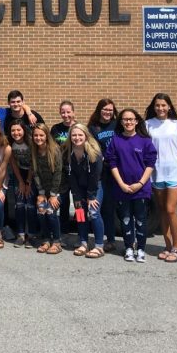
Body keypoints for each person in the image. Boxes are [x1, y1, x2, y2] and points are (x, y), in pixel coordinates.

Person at [105, 109, 157, 263]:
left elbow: (150, 164)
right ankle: (129, 247)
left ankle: (140, 249)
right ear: (121, 122)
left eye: (131, 119)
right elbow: (112, 163)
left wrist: (140, 183)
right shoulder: (116, 140)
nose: (128, 122)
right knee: (126, 219)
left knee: (141, 219)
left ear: (136, 121)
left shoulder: (145, 141)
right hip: (122, 189)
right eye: (125, 119)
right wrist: (121, 184)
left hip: (141, 189)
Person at [145, 93, 177, 263]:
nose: (160, 108)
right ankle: (167, 246)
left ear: (169, 106)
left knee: (170, 209)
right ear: (153, 107)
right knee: (162, 210)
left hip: (175, 171)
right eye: (157, 105)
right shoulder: (147, 125)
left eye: (163, 105)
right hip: (156, 172)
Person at [66, 123, 106, 258]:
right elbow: (71, 176)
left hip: (94, 187)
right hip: (79, 188)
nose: (77, 138)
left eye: (80, 135)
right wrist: (76, 196)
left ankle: (99, 246)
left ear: (86, 136)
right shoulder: (69, 152)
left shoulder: (94, 152)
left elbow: (95, 176)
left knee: (94, 212)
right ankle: (83, 242)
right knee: (79, 212)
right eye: (74, 135)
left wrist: (91, 196)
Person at [88, 98, 119, 252]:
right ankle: (100, 240)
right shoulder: (93, 127)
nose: (108, 112)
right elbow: (93, 148)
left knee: (111, 207)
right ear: (99, 110)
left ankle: (112, 240)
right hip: (101, 172)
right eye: (105, 109)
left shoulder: (117, 125)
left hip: (117, 171)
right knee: (98, 207)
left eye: (110, 110)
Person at [31, 123, 65, 255]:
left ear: (46, 136)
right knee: (41, 210)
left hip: (57, 190)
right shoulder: (34, 151)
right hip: (43, 190)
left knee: (50, 212)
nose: (38, 138)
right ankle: (46, 240)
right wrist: (41, 193)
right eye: (35, 135)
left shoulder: (55, 150)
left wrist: (53, 194)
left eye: (41, 135)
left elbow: (58, 173)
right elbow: (35, 173)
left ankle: (56, 242)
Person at [7, 119, 37, 248]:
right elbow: (13, 163)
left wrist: (28, 182)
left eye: (18, 130)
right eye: (13, 130)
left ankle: (31, 235)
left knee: (30, 205)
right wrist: (20, 181)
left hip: (32, 175)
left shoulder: (30, 142)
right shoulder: (10, 143)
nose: (16, 132)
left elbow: (33, 162)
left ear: (24, 130)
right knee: (19, 205)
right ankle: (20, 234)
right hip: (18, 174)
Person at [49, 99, 76, 235]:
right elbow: (52, 148)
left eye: (68, 112)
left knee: (79, 203)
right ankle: (64, 231)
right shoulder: (56, 129)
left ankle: (80, 231)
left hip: (77, 171)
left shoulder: (79, 127)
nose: (66, 115)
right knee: (64, 203)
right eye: (63, 112)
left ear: (73, 112)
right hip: (63, 171)